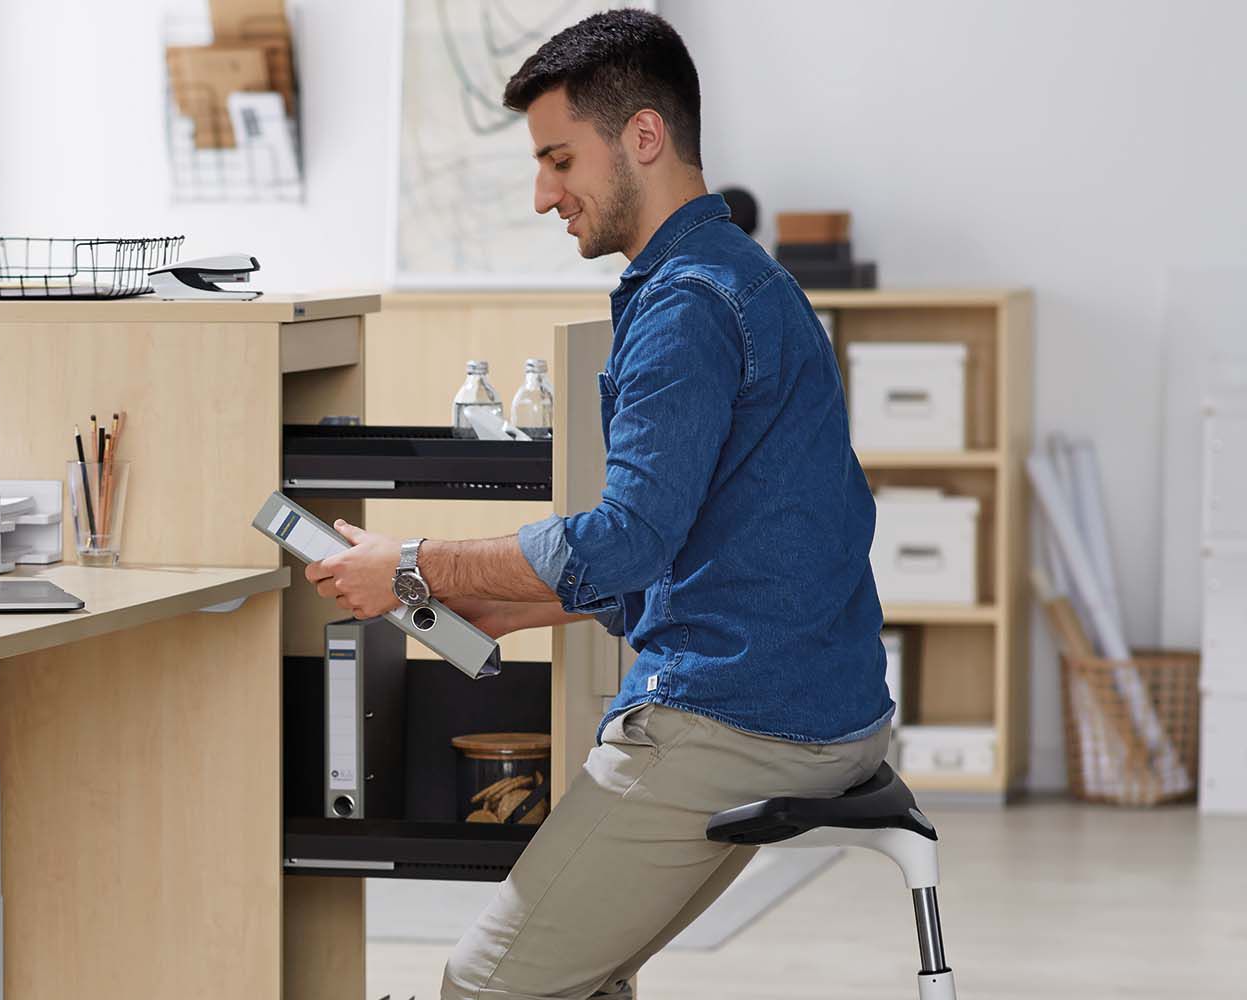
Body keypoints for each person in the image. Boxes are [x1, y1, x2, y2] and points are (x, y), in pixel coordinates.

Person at [302, 10, 895, 999]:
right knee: (582, 975)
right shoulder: (751, 282)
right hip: (826, 702)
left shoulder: (685, 307)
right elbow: (722, 548)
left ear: (645, 137)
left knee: (486, 982)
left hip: (739, 717)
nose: (543, 195)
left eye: (559, 159)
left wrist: (410, 563)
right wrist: (521, 603)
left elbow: (627, 540)